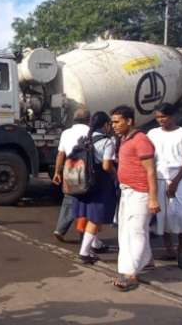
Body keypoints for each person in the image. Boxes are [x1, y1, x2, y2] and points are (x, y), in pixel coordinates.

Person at [111, 105, 160, 291]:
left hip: (140, 193)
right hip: (127, 192)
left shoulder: (141, 140)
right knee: (126, 231)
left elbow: (151, 170)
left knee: (136, 231)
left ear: (129, 121)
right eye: (112, 122)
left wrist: (153, 198)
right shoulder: (124, 139)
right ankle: (146, 261)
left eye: (117, 121)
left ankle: (130, 274)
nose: (114, 125)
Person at [147, 103, 182, 270]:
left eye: (163, 117)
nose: (161, 120)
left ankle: (181, 250)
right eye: (158, 117)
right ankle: (169, 250)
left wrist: (175, 182)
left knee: (180, 213)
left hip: (180, 178)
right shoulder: (152, 134)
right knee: (163, 215)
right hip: (159, 177)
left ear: (172, 116)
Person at [72, 112, 118, 264]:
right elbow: (106, 165)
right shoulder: (107, 141)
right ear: (105, 125)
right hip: (100, 182)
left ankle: (95, 244)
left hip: (85, 182)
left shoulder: (85, 139)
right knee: (96, 217)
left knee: (91, 214)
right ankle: (84, 252)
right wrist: (116, 175)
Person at [52, 109, 91, 242]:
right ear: (89, 119)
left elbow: (60, 154)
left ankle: (60, 229)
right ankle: (83, 234)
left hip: (69, 167)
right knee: (86, 199)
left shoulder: (66, 133)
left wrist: (57, 172)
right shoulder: (90, 132)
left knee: (69, 198)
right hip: (85, 169)